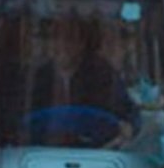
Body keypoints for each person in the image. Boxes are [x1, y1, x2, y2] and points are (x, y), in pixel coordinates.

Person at [25, 16, 137, 148]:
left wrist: (129, 127)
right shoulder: (38, 76)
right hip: (42, 154)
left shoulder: (102, 74)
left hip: (94, 153)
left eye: (68, 39)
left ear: (82, 43)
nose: (60, 45)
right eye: (54, 38)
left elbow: (129, 114)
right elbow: (22, 120)